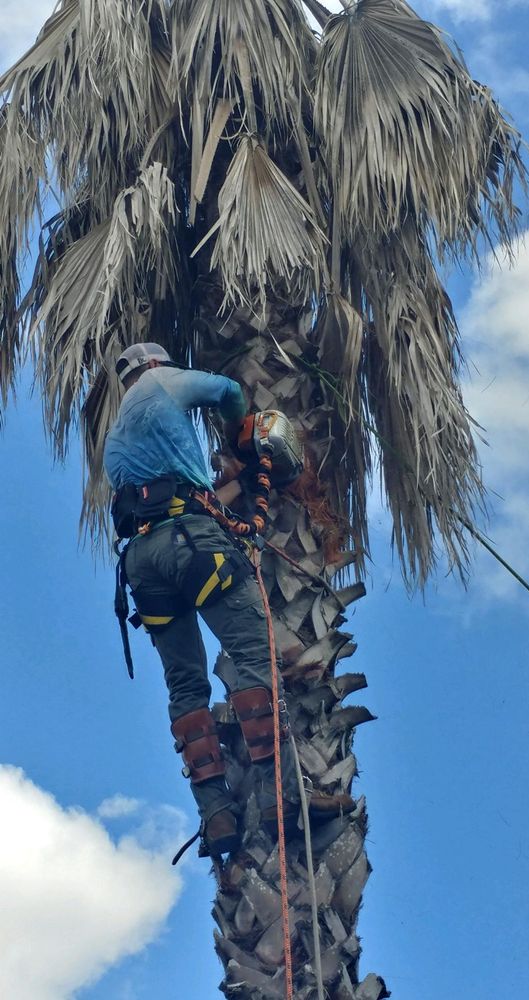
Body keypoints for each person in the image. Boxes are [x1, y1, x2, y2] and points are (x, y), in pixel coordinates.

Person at [104, 342, 354, 857]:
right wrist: (244, 446)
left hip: (142, 561)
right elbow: (228, 390)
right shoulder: (161, 383)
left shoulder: (116, 437)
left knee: (185, 685)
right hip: (191, 547)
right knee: (254, 653)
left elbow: (176, 495)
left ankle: (216, 814)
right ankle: (284, 797)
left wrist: (231, 487)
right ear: (155, 366)